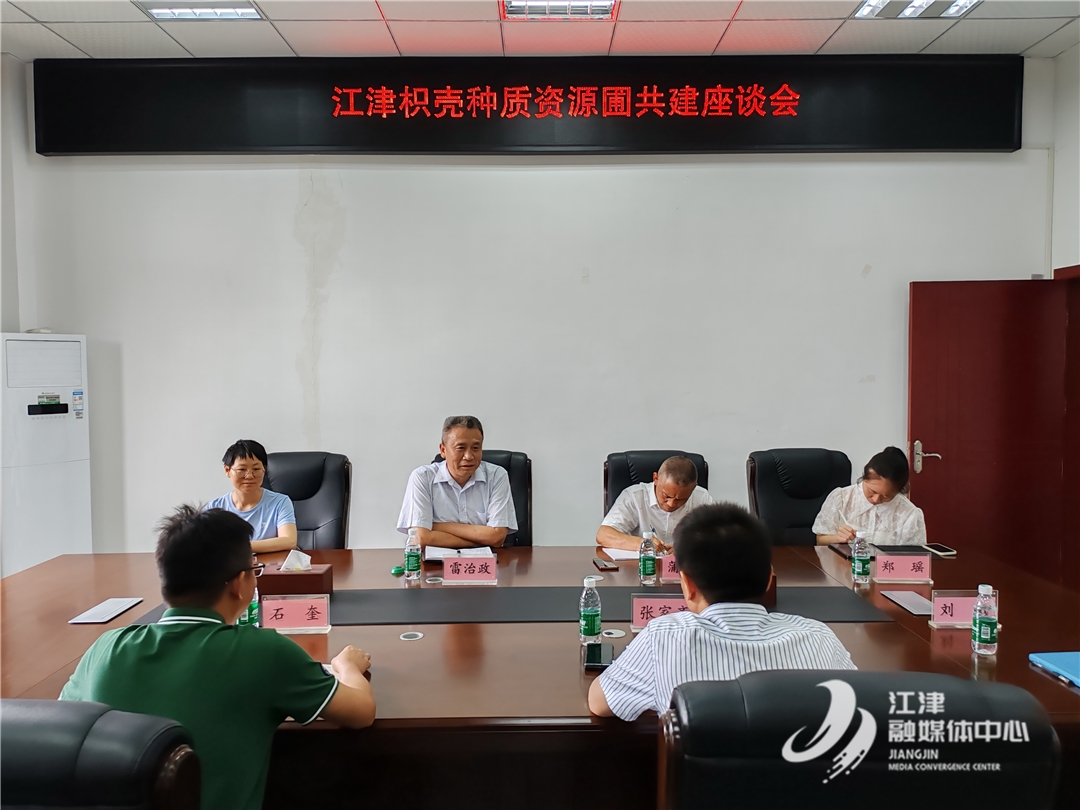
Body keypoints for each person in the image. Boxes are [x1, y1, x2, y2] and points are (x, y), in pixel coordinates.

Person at [60, 505, 375, 810]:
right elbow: (361, 712)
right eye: (254, 570)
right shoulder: (263, 651)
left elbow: (64, 723)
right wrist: (346, 666)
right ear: (239, 584)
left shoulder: (107, 647)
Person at [589, 503, 855, 720]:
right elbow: (859, 708)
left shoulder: (663, 638)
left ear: (687, 585)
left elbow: (600, 703)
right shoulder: (819, 639)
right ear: (769, 579)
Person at [397, 415, 517, 548]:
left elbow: (496, 537)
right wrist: (480, 541)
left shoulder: (496, 476)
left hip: (486, 561)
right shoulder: (423, 477)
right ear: (443, 450)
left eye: (475, 448)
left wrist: (438, 526)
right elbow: (422, 538)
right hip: (436, 561)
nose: (469, 456)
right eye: (461, 448)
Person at [596, 455, 713, 553]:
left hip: (683, 569)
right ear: (655, 478)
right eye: (666, 496)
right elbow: (603, 535)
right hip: (641, 568)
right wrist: (642, 543)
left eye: (681, 499)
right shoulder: (634, 496)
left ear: (694, 487)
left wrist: (688, 548)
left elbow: (717, 537)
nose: (671, 504)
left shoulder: (701, 498)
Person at [812, 446, 927, 546]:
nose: (875, 500)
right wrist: (837, 538)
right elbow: (820, 540)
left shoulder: (909, 514)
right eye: (872, 491)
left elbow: (914, 557)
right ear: (864, 478)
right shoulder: (841, 498)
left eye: (886, 496)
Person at [205, 439, 297, 553]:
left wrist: (237, 547)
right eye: (242, 469)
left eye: (256, 469)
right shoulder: (215, 508)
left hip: (270, 564)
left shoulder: (280, 502)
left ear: (264, 469)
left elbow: (289, 541)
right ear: (227, 470)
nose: (249, 476)